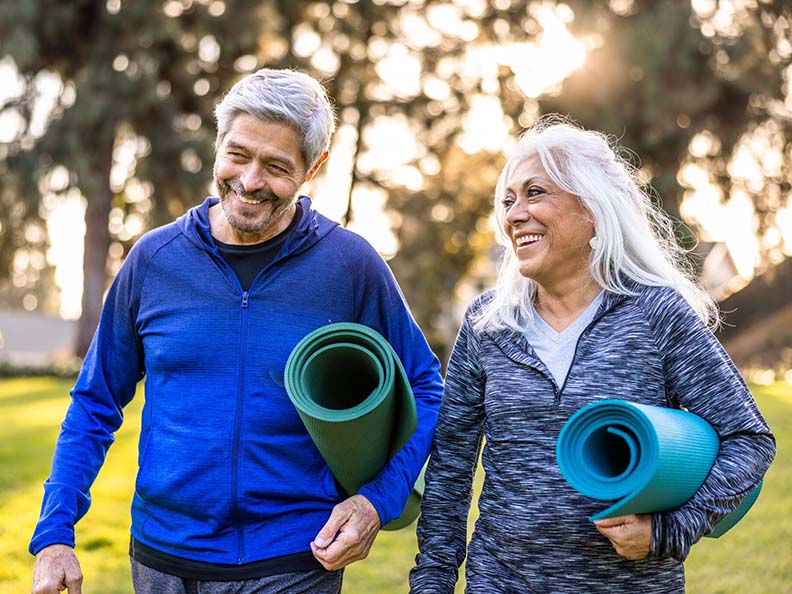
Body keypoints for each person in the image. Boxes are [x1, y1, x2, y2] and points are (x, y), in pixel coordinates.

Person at [30, 68, 443, 594]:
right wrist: (54, 533)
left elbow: (428, 387)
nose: (249, 181)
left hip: (294, 559)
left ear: (312, 168)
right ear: (218, 144)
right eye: (238, 155)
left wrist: (375, 502)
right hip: (161, 558)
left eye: (276, 166)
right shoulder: (152, 260)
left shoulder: (350, 265)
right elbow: (94, 402)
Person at [408, 117, 776, 594]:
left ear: (592, 209)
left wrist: (670, 528)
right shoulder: (487, 324)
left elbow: (748, 439)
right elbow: (450, 471)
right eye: (508, 200)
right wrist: (431, 585)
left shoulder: (656, 313)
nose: (514, 214)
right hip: (499, 581)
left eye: (535, 192)